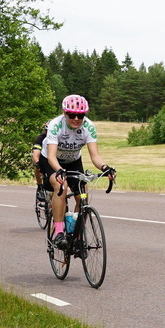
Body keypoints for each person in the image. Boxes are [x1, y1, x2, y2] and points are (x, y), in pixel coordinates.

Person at [38, 95, 115, 249]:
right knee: (61, 186)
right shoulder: (55, 125)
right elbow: (52, 156)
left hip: (73, 161)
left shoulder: (88, 127)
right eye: (71, 115)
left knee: (83, 194)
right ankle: (59, 232)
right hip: (51, 161)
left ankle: (77, 233)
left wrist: (105, 168)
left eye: (80, 115)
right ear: (64, 113)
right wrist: (59, 170)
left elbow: (95, 156)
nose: (76, 119)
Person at [31, 123, 48, 198]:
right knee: (37, 166)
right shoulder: (41, 138)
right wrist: (38, 163)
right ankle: (40, 186)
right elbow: (35, 153)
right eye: (47, 131)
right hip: (43, 157)